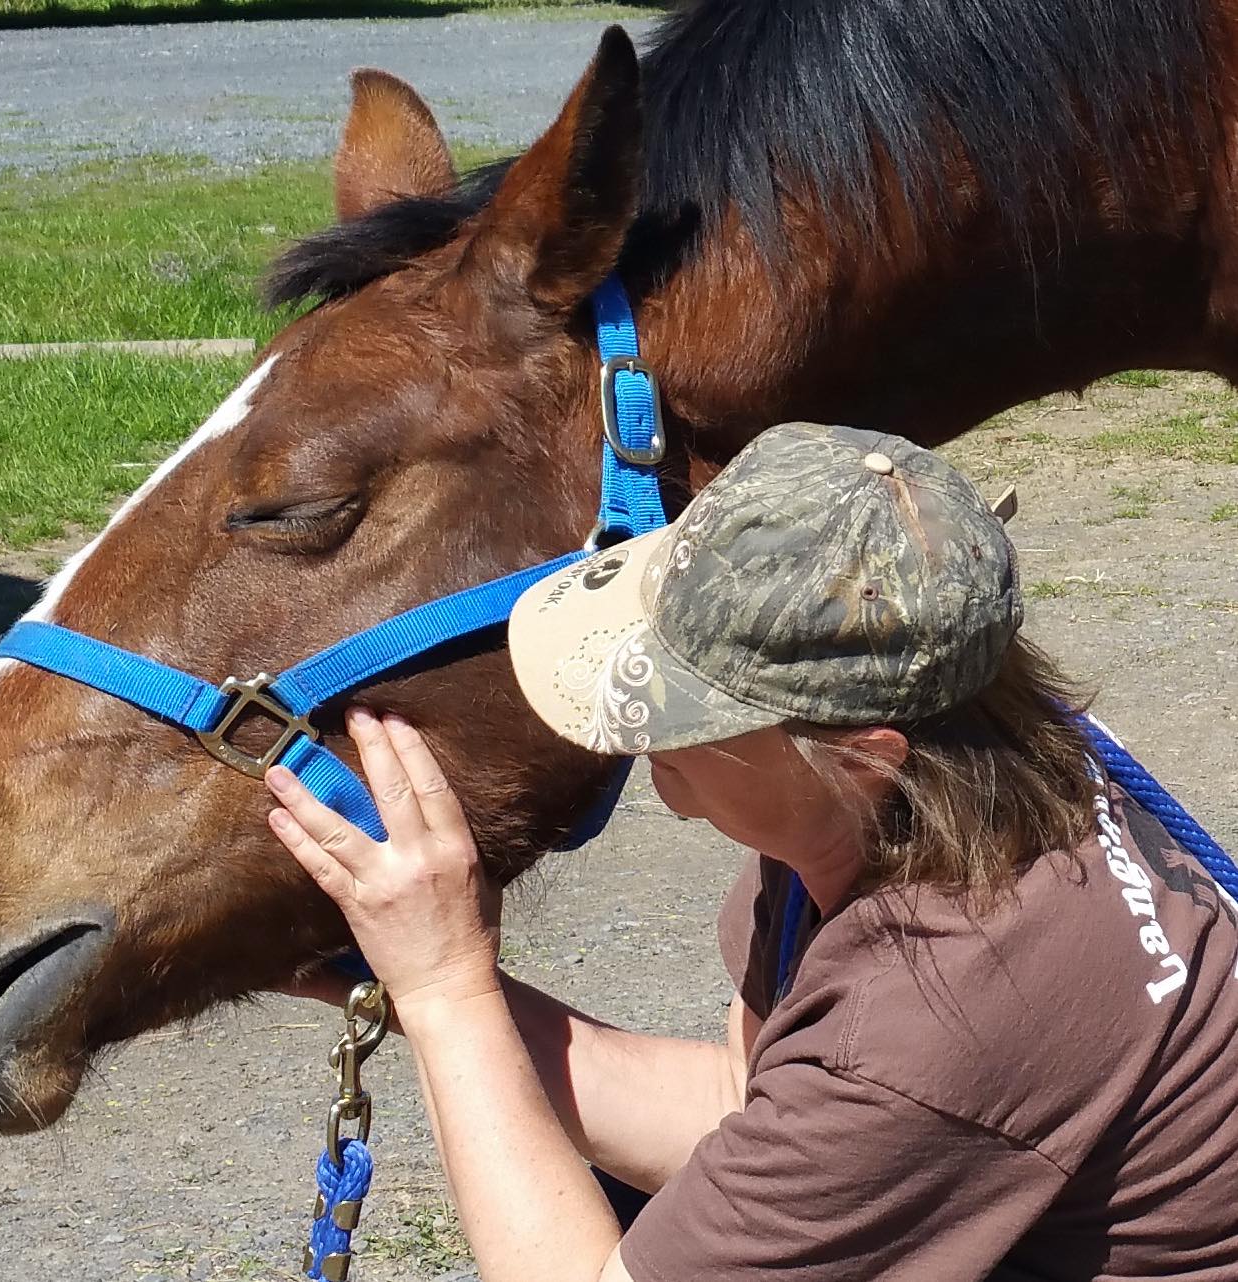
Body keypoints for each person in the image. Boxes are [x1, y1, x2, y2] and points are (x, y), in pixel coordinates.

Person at [263, 422, 1238, 1281]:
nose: (628, 732)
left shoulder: (932, 1010)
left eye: (677, 710)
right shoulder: (968, 763)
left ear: (859, 756)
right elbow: (738, 1103)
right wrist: (401, 976)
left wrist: (445, 991)